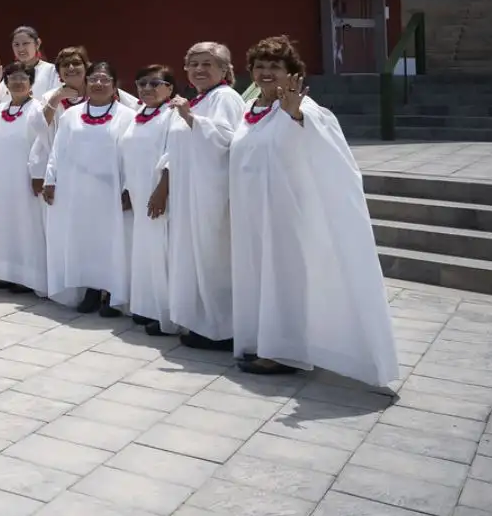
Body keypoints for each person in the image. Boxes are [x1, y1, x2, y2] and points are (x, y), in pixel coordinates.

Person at [229, 36, 398, 385]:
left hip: (287, 213)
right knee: (261, 277)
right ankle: (264, 341)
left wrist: (296, 115)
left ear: (292, 73)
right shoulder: (250, 112)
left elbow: (324, 146)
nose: (265, 72)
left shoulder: (304, 108)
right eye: (259, 66)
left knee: (285, 280)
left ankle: (285, 351)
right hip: (254, 214)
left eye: (275, 66)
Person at [166, 42, 242, 352]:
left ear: (225, 69)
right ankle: (204, 322)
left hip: (213, 193)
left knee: (215, 260)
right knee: (198, 258)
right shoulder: (199, 99)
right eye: (193, 63)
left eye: (207, 63)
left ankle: (223, 329)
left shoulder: (224, 97)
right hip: (191, 191)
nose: (199, 69)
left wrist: (192, 119)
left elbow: (228, 138)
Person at [43, 61, 133, 316]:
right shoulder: (71, 115)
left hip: (110, 190)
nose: (98, 84)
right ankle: (92, 290)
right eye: (93, 79)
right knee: (85, 241)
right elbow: (58, 149)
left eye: (105, 79)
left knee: (112, 241)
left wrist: (127, 188)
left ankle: (113, 294)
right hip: (78, 190)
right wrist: (51, 179)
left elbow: (131, 154)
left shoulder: (127, 116)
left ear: (115, 85)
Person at [0, 61, 47, 295]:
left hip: (26, 179)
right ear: (6, 84)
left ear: (31, 83)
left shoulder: (38, 109)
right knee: (4, 225)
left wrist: (38, 174)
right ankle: (7, 273)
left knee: (27, 227)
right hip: (0, 179)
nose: (17, 82)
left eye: (23, 78)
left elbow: (43, 144)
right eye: (12, 78)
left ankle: (29, 277)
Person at [122, 64, 178, 336]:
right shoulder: (138, 115)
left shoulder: (172, 115)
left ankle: (167, 315)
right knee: (143, 251)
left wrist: (162, 191)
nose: (146, 89)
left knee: (162, 252)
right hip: (137, 191)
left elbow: (173, 156)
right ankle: (147, 306)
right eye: (142, 83)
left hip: (159, 196)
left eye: (154, 84)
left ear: (169, 88)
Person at [0, 25, 60, 102]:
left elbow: (56, 101)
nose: (21, 49)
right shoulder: (11, 73)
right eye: (16, 44)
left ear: (37, 43)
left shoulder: (52, 70)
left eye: (25, 43)